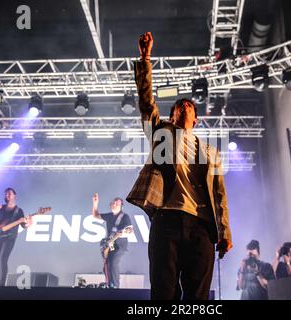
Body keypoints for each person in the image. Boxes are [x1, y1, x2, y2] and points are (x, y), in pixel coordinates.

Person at [126, 32, 233, 300]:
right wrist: (145, 58)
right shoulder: (161, 134)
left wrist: (225, 231)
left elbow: (220, 195)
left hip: (201, 226)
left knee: (198, 296)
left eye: (189, 105)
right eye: (178, 105)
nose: (184, 105)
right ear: (172, 116)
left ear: (196, 119)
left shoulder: (211, 152)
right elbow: (146, 101)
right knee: (164, 292)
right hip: (167, 219)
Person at [0, 187, 33, 286]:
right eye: (6, 194)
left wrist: (29, 223)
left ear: (14, 195)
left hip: (9, 238)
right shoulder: (0, 208)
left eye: (9, 193)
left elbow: (24, 225)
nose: (7, 195)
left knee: (2, 260)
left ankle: (1, 285)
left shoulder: (19, 211)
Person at [92, 193, 133, 288]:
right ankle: (109, 284)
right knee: (106, 265)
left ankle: (115, 287)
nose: (114, 204)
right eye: (113, 203)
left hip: (119, 245)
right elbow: (95, 215)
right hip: (110, 245)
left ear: (121, 207)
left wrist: (121, 233)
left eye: (117, 204)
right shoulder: (109, 216)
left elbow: (130, 230)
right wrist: (95, 203)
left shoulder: (125, 217)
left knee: (113, 262)